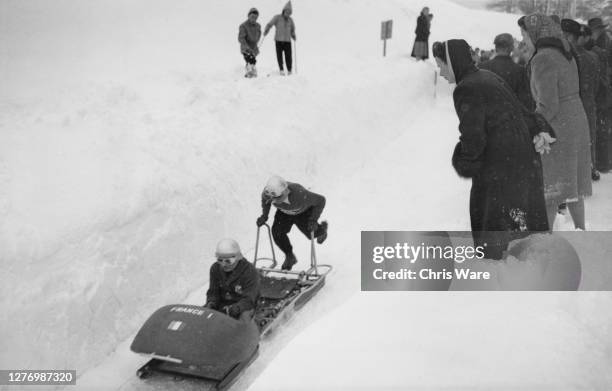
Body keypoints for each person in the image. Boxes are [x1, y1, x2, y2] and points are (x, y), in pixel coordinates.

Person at [432, 39, 550, 259]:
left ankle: (499, 268)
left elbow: (473, 137)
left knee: (493, 222)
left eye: (441, 65)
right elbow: (523, 111)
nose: (441, 72)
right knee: (518, 218)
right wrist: (540, 128)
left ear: (451, 61)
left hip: (500, 164)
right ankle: (522, 261)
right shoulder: (487, 77)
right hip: (520, 158)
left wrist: (464, 160)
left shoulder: (466, 88)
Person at [519, 14, 592, 230]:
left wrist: (530, 125)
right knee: (574, 186)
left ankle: (545, 242)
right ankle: (581, 232)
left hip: (558, 126)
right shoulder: (564, 51)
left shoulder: (543, 57)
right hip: (576, 122)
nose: (523, 40)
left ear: (534, 33)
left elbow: (548, 105)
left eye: (524, 34)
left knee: (550, 189)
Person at [256, 176, 327, 270]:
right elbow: (266, 201)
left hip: (303, 212)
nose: (271, 199)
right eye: (269, 197)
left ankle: (322, 231)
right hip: (284, 212)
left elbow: (321, 200)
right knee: (277, 232)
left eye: (274, 197)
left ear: (283, 193)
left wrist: (313, 220)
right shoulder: (268, 193)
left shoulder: (300, 195)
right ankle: (290, 256)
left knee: (311, 234)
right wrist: (264, 216)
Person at [562, 19, 601, 181]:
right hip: (589, 103)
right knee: (588, 137)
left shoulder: (564, 57)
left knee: (569, 139)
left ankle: (572, 173)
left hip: (570, 104)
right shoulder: (592, 57)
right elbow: (597, 85)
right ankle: (590, 168)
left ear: (569, 36)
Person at [205, 239, 260, 320]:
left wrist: (235, 309)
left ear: (237, 258)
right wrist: (211, 303)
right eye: (220, 260)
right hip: (223, 303)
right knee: (205, 314)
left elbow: (249, 299)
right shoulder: (215, 269)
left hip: (244, 306)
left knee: (244, 319)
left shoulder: (250, 271)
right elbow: (213, 291)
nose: (223, 264)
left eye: (228, 261)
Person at [479, 33, 534, 110]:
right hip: (511, 117)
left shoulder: (482, 67)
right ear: (511, 48)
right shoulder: (520, 71)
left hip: (488, 117)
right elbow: (526, 101)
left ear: (496, 48)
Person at [588, 17, 612, 173]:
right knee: (604, 128)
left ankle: (603, 163)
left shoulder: (602, 45)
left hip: (604, 93)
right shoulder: (604, 41)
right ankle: (605, 162)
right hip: (605, 92)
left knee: (602, 129)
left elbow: (605, 69)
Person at [264, 1, 296, 75]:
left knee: (288, 56)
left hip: (287, 41)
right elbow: (269, 24)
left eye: (289, 13)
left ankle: (289, 70)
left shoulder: (290, 20)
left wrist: (293, 35)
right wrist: (267, 29)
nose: (287, 14)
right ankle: (281, 70)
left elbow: (292, 29)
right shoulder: (277, 17)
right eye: (286, 12)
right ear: (283, 11)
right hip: (278, 40)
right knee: (279, 56)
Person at [238, 8, 262, 78]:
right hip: (245, 47)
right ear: (248, 16)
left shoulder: (258, 26)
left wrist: (255, 43)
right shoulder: (243, 26)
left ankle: (252, 72)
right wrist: (246, 47)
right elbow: (241, 38)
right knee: (249, 58)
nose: (253, 19)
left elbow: (258, 35)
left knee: (253, 60)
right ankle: (249, 72)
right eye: (252, 17)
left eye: (255, 17)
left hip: (253, 47)